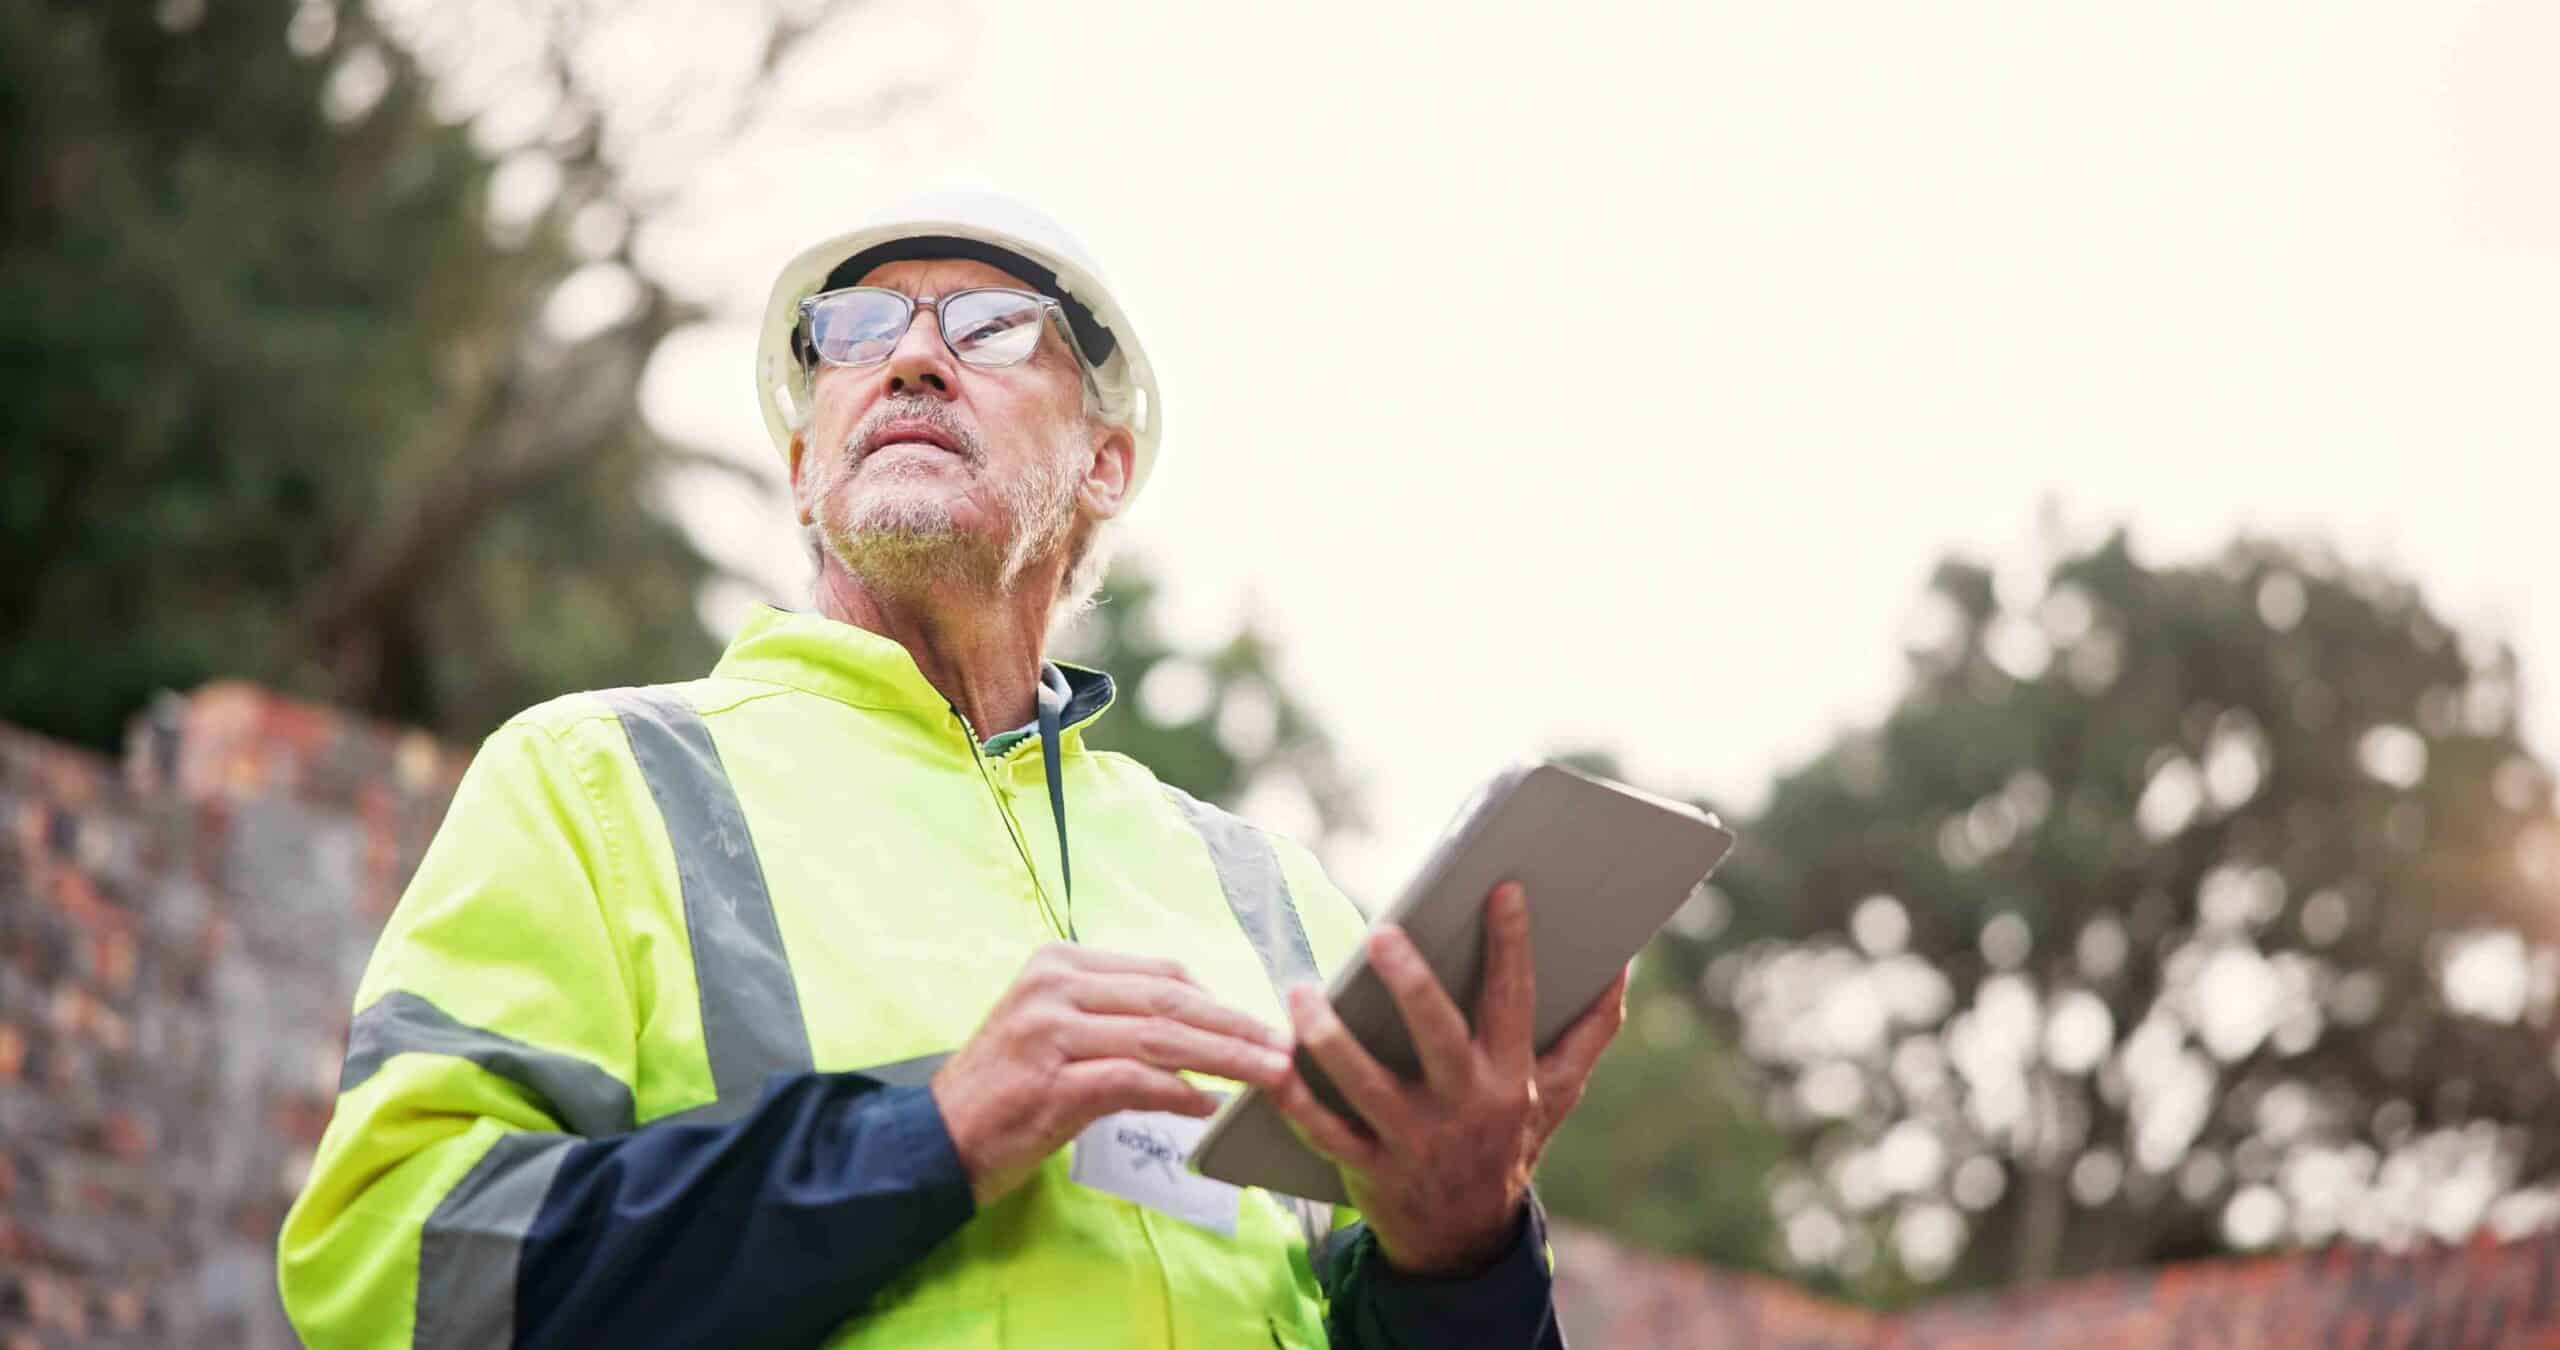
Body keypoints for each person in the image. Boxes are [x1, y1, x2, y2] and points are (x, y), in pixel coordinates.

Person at [276, 191, 1629, 1348]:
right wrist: (928, 1135)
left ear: (1106, 463)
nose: (913, 358)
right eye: (855, 333)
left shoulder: (1279, 899)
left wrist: (1462, 1254)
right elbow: (398, 1272)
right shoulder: (592, 785)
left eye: (991, 327)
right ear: (804, 464)